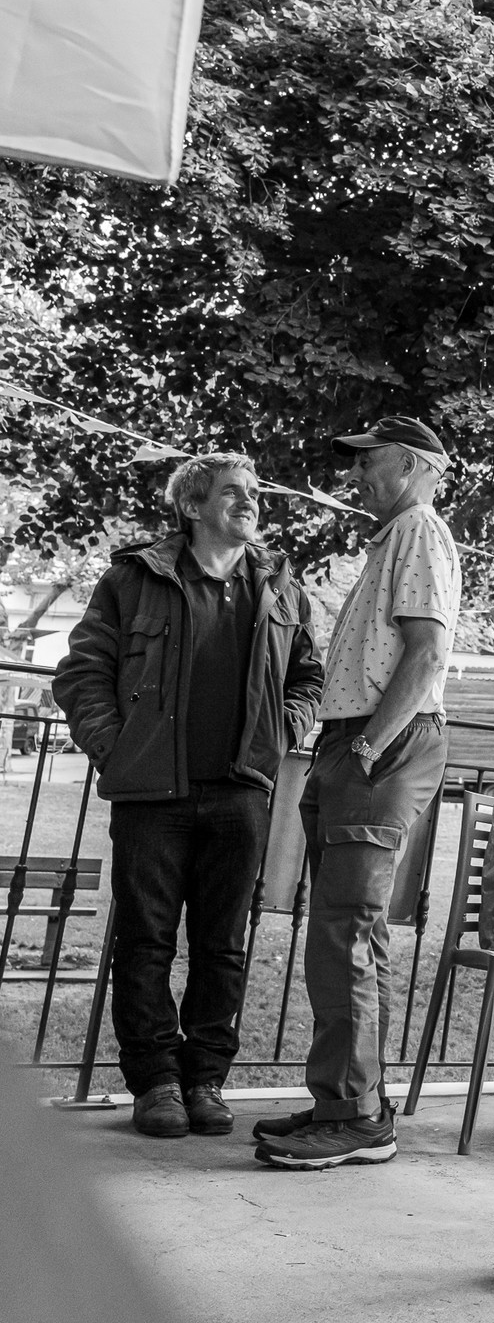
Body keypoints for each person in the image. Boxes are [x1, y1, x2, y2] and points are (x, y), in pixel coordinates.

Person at [55, 453, 322, 1139]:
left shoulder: (281, 586)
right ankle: (157, 1083)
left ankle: (204, 1079)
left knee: (223, 945)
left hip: (240, 792)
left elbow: (308, 677)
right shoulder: (134, 578)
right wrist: (115, 746)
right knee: (145, 943)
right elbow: (83, 672)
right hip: (151, 795)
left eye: (256, 492)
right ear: (194, 505)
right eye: (236, 492)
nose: (252, 502)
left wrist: (282, 730)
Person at [254, 416, 460, 1170]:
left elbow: (428, 649)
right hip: (359, 744)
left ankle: (354, 1114)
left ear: (407, 465)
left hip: (377, 744)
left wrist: (369, 746)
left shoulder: (417, 531)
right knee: (347, 932)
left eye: (366, 464)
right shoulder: (399, 535)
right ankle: (351, 1101)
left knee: (345, 931)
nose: (355, 478)